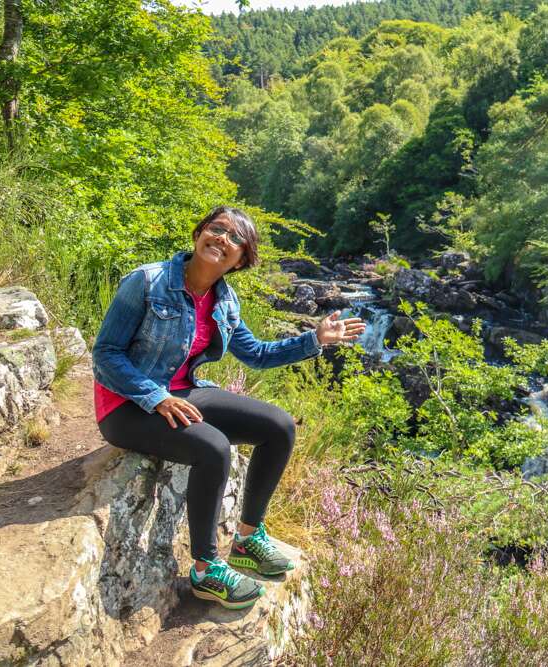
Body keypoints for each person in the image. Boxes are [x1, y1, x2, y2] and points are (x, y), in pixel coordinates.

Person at [92, 206, 365, 609]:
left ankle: (247, 538)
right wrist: (156, 396)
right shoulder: (146, 282)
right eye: (216, 229)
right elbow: (106, 355)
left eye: (234, 238)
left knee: (279, 426)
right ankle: (205, 570)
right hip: (125, 405)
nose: (222, 238)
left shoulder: (224, 300)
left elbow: (255, 354)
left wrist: (316, 339)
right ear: (199, 233)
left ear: (242, 259)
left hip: (181, 392)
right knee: (212, 446)